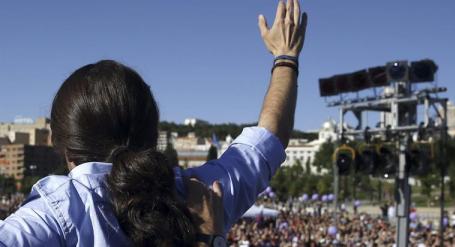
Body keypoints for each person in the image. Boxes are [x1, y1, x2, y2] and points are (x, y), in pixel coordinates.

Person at [0, 0, 308, 246]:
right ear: (152, 132)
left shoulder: (53, 217)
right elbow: (268, 138)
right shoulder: (201, 197)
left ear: (61, 144)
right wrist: (285, 57)